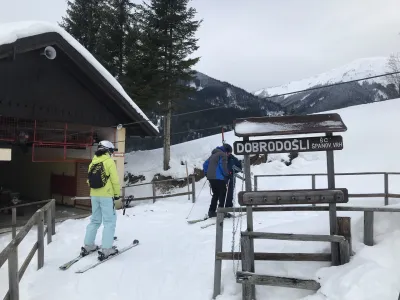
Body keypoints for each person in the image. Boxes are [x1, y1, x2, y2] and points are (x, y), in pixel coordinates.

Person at [81, 140, 121, 261]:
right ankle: (107, 249)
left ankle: (88, 246)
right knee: (109, 221)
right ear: (108, 150)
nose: (112, 153)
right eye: (111, 151)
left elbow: (89, 181)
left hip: (94, 195)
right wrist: (117, 194)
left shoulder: (92, 163)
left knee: (95, 220)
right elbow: (114, 180)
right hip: (106, 195)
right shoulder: (109, 162)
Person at [203, 143, 232, 218]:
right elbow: (222, 166)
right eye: (229, 153)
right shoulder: (222, 155)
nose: (228, 155)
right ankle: (221, 212)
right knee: (223, 193)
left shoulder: (213, 155)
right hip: (218, 178)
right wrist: (227, 173)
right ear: (226, 151)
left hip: (211, 178)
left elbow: (205, 164)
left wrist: (206, 173)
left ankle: (211, 211)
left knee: (216, 194)